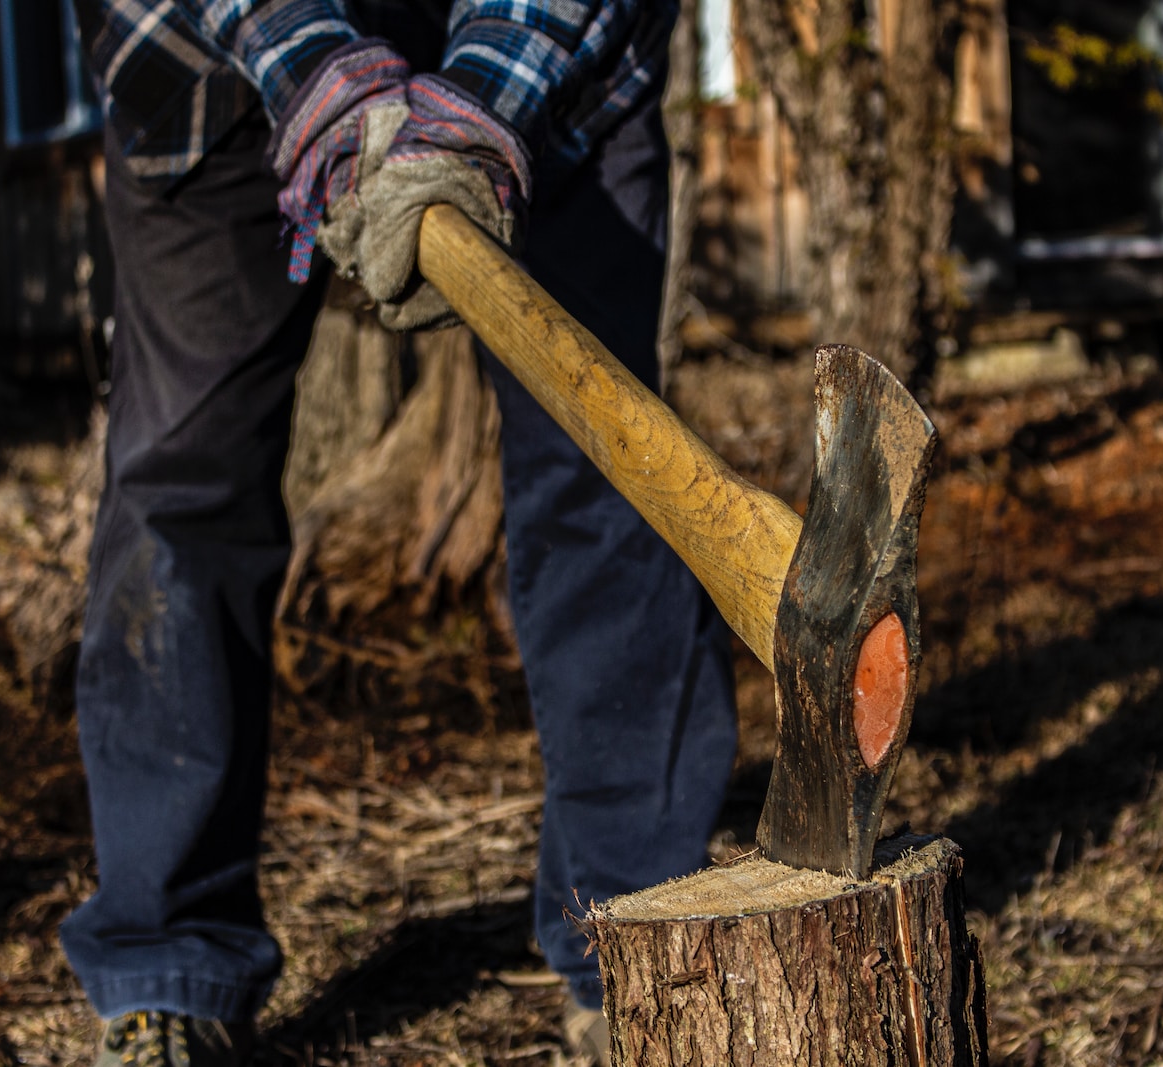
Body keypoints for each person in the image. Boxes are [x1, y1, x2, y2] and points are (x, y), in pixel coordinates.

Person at [61, 2, 739, 1064]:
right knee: (180, 483)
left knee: (609, 467)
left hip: (554, 62)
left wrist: (474, 108)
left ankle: (639, 940)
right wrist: (325, 77)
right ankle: (166, 963)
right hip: (203, 66)